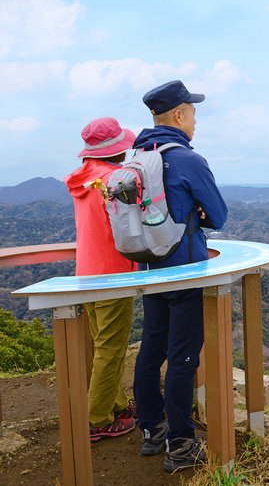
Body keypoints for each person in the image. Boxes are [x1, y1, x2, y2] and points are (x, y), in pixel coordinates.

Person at [131, 80, 228, 473]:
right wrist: (199, 215)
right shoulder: (188, 160)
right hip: (184, 270)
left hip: (149, 267)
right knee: (183, 358)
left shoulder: (135, 155)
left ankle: (152, 430)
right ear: (178, 115)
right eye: (193, 113)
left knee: (151, 351)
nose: (195, 122)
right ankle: (182, 446)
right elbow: (218, 216)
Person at [64, 117, 138, 441]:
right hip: (113, 275)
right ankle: (97, 419)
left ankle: (117, 404)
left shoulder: (83, 180)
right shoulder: (113, 181)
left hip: (87, 274)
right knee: (111, 347)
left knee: (104, 344)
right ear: (116, 150)